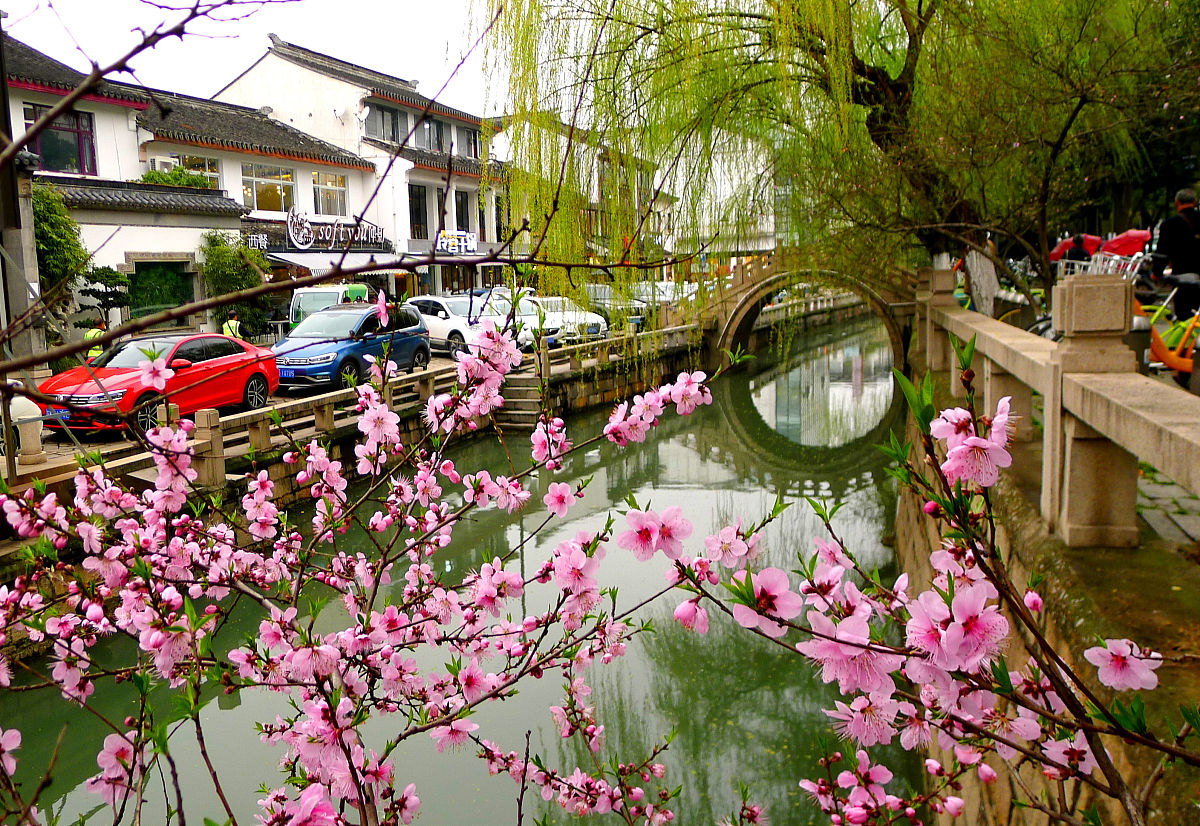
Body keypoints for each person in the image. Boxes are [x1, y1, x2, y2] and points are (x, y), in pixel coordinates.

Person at [1154, 188, 1200, 320]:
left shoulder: (1170, 224)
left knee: (1184, 315)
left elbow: (1162, 252)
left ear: (1177, 203)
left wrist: (1156, 272)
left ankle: (1186, 338)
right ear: (1195, 202)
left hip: (1183, 275)